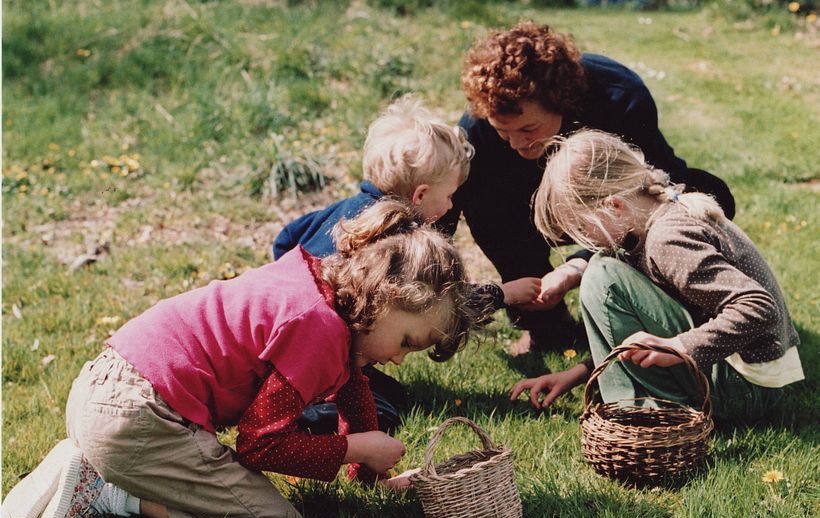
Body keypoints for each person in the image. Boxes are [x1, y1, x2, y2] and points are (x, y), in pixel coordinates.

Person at [2, 199, 478, 518]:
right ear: (384, 297)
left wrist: (372, 474)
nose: (399, 360)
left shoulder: (321, 292)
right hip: (137, 419)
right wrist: (357, 448)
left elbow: (353, 393)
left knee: (254, 507)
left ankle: (104, 463)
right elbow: (259, 444)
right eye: (407, 342)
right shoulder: (315, 331)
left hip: (106, 388)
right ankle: (107, 491)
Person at [438, 21, 737, 354]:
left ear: (559, 101)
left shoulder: (618, 95)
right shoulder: (478, 129)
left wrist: (576, 266)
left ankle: (672, 306)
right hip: (521, 208)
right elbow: (444, 212)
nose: (516, 144)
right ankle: (546, 326)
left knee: (706, 193)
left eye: (529, 129)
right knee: (484, 204)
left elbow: (659, 186)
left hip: (609, 205)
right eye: (504, 133)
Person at [273, 95, 541, 432]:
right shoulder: (398, 241)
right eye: (449, 196)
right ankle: (302, 417)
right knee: (383, 411)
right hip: (319, 353)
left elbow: (285, 238)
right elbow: (438, 304)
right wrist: (502, 294)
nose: (449, 206)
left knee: (394, 393)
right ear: (420, 195)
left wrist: (288, 287)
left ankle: (302, 395)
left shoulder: (339, 212)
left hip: (288, 335)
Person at [510, 130, 803, 421]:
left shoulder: (667, 239)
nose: (585, 241)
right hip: (750, 380)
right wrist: (578, 373)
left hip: (746, 389)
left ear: (614, 206)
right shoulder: (654, 218)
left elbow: (759, 306)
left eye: (584, 229)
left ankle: (637, 415)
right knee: (603, 264)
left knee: (603, 274)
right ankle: (633, 398)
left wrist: (679, 347)